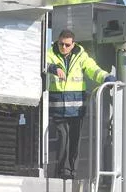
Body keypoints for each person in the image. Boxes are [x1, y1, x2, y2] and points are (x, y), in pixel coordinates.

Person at [46, 30, 115, 180]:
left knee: (75, 139)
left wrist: (107, 78)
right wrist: (54, 68)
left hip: (77, 107)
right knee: (63, 137)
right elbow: (43, 64)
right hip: (58, 107)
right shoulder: (50, 53)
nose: (63, 47)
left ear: (73, 44)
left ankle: (72, 171)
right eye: (61, 44)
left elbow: (93, 69)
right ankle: (63, 171)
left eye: (67, 45)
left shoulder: (81, 56)